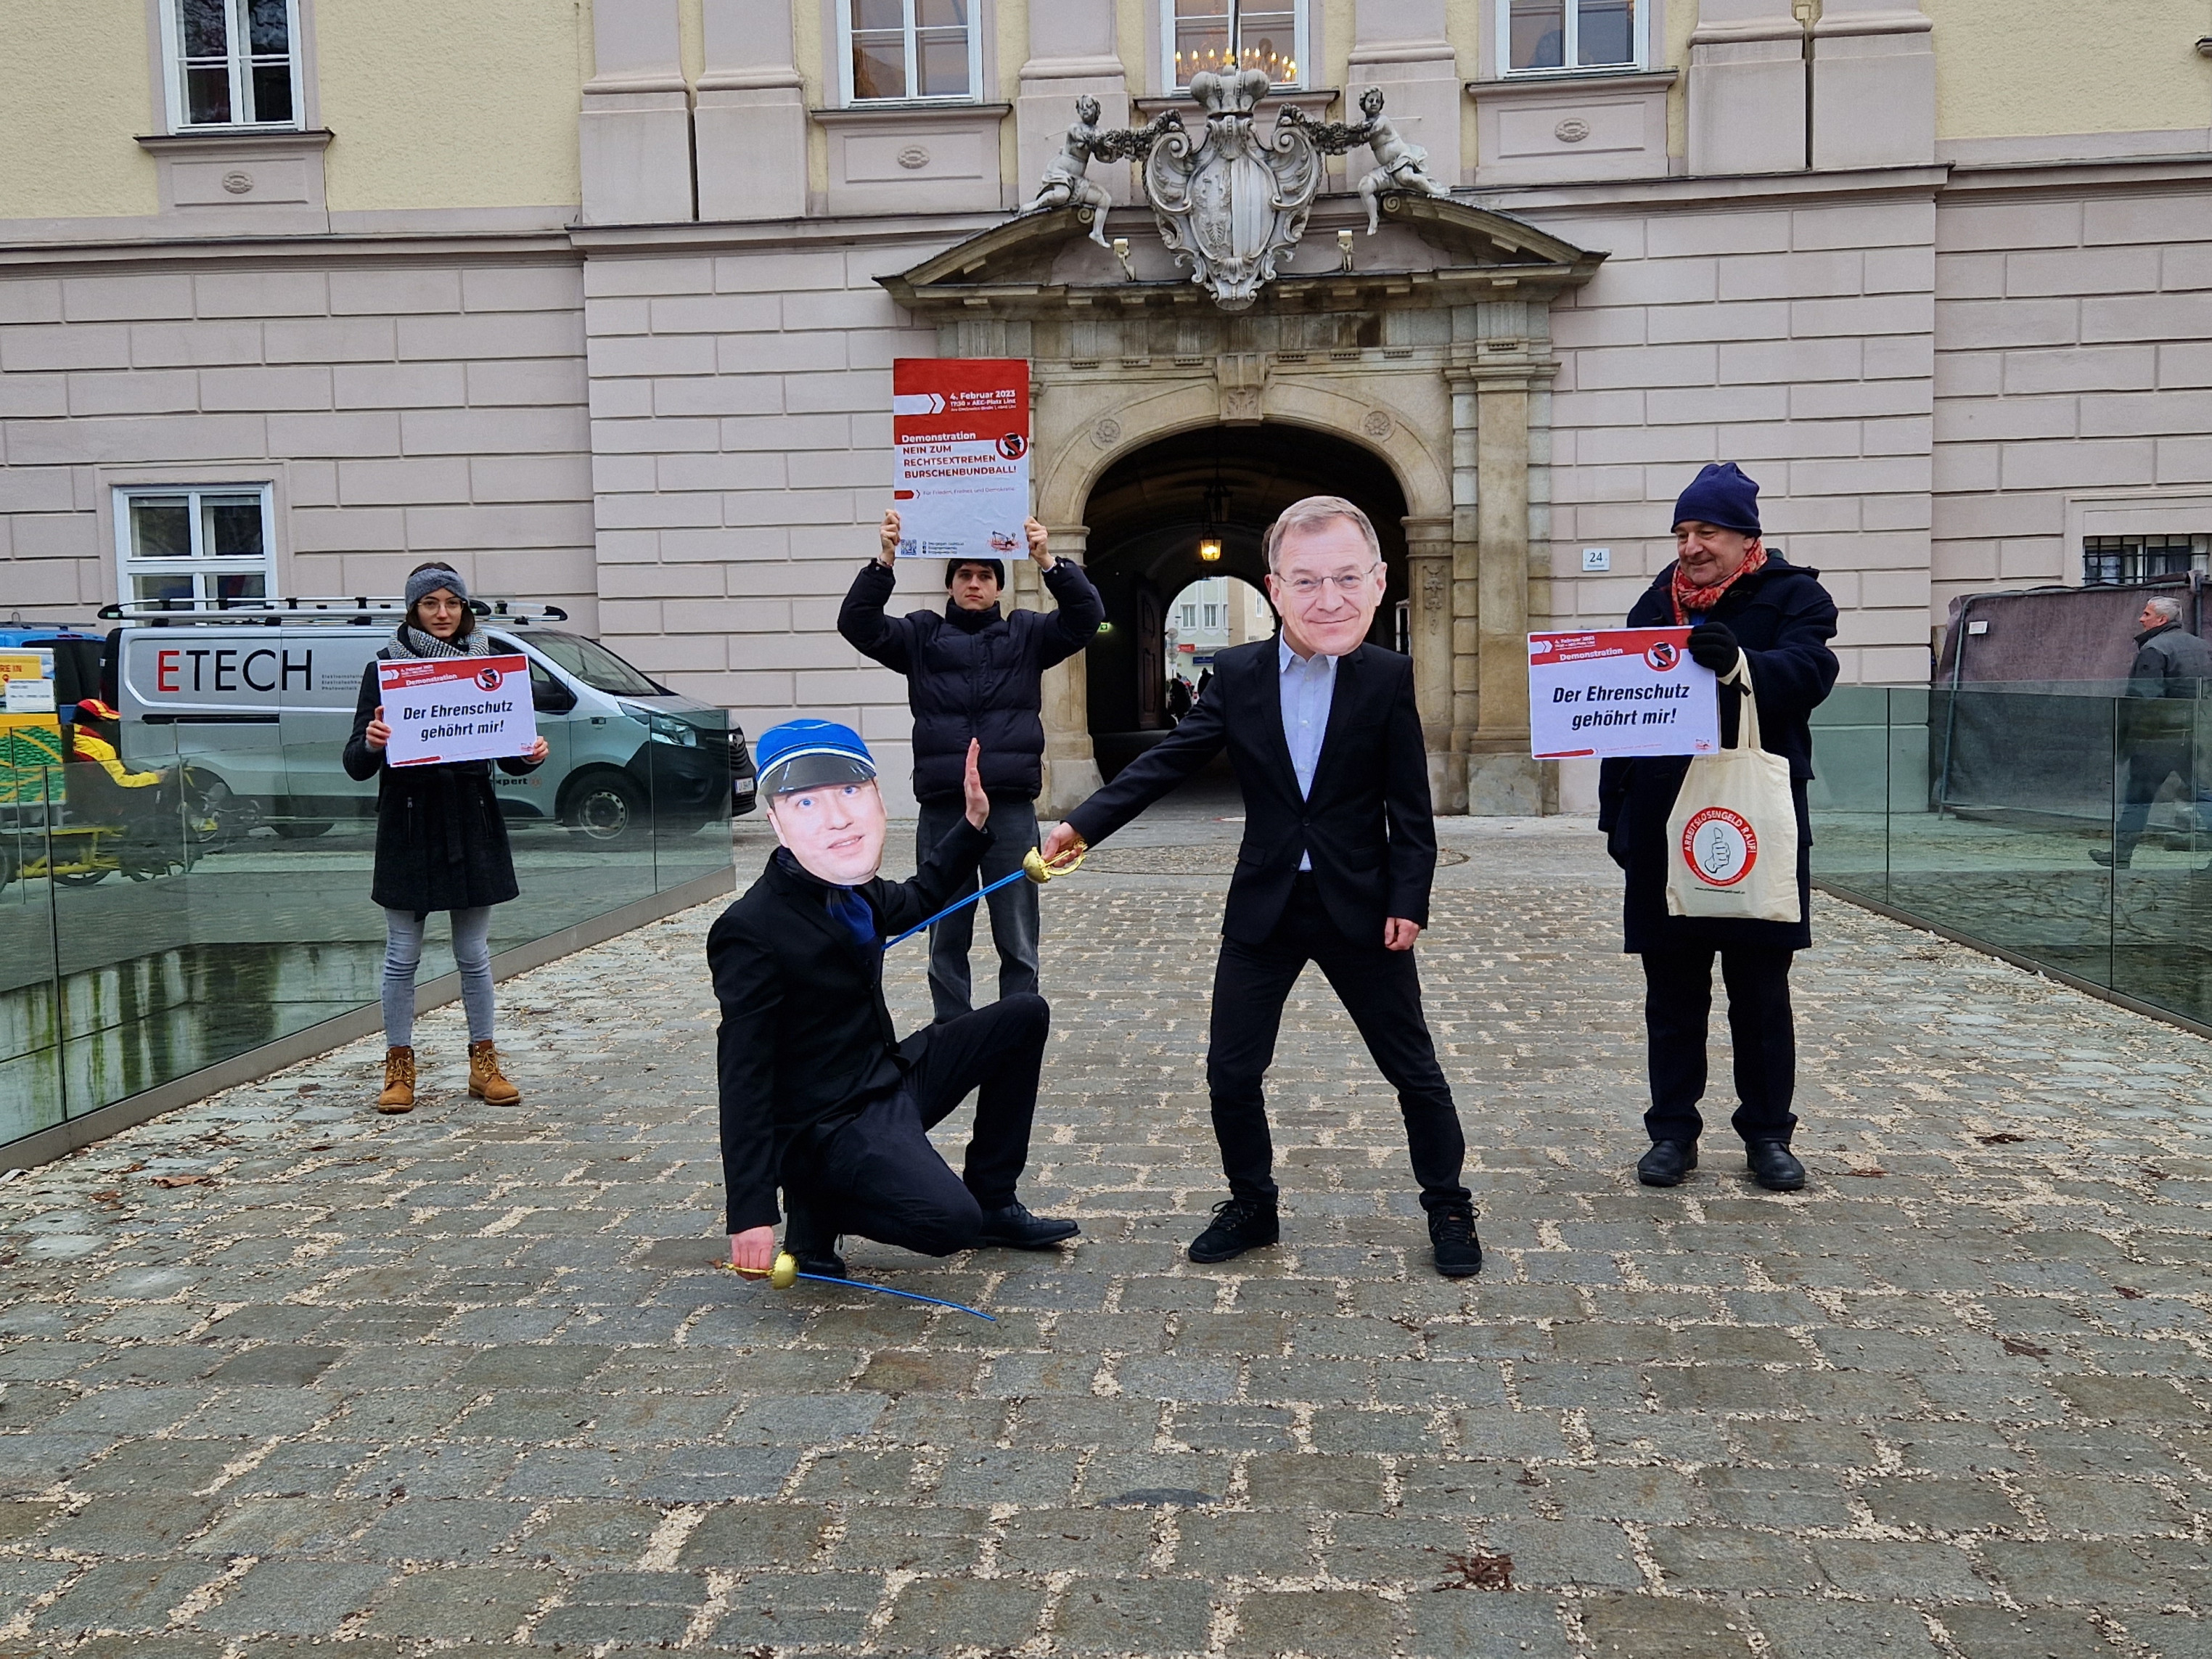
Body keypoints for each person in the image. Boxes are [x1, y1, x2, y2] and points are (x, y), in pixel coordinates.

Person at [1040, 496, 1480, 1278]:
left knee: (1413, 1070)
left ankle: (1447, 1204)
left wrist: (1409, 900)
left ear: (1377, 584)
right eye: (1307, 581)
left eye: (1347, 578)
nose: (1328, 597)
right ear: (1275, 588)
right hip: (1266, 903)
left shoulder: (1387, 678)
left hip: (1362, 907)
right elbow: (1167, 762)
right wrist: (1085, 825)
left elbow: (1409, 809)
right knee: (1232, 1070)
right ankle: (1252, 1204)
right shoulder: (1238, 673)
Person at [710, 719, 1078, 1277]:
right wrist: (751, 1212)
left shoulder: (854, 891)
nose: (836, 816)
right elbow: (743, 1074)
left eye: (850, 793)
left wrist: (974, 820)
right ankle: (817, 1204)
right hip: (829, 1125)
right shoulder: (750, 929)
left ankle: (995, 1200)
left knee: (1024, 1014)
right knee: (948, 1224)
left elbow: (922, 896)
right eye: (806, 803)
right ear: (777, 822)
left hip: (889, 1079)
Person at [1597, 463, 1840, 1194]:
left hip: (1750, 820)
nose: (1692, 546)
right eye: (1682, 533)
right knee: (1671, 991)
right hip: (1665, 819)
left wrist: (1742, 663)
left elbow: (1811, 672)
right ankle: (1672, 1132)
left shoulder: (1797, 596)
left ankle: (1768, 1133)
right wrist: (1617, 810)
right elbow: (1622, 713)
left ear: (1745, 537)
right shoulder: (1655, 602)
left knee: (1760, 991)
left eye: (1706, 531)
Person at [838, 512, 1105, 1025]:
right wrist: (885, 559)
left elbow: (1085, 618)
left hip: (1008, 809)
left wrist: (1048, 560)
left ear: (999, 587)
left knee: (1018, 936)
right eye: (965, 575)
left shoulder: (1026, 635)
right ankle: (952, 1030)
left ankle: (1016, 1026)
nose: (975, 584)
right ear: (951, 584)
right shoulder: (921, 637)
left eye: (985, 575)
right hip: (945, 812)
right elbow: (858, 624)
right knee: (945, 931)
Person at [343, 564, 550, 1115]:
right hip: (409, 823)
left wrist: (528, 753)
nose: (442, 613)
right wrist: (372, 741)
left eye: (451, 603)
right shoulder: (385, 668)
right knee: (402, 955)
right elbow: (356, 764)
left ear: (465, 609)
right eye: (430, 603)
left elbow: (506, 749)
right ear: (413, 610)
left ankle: (484, 1064)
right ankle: (399, 1067)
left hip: (470, 817)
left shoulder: (491, 669)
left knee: (474, 953)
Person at [2090, 592, 2212, 869]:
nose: (2140, 619)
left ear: (2162, 619)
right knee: (2201, 793)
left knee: (2138, 797)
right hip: (2190, 735)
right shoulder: (2202, 646)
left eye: (2146, 614)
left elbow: (2144, 700)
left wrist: (2131, 739)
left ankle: (2121, 854)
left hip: (2157, 739)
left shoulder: (2155, 650)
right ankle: (2120, 854)